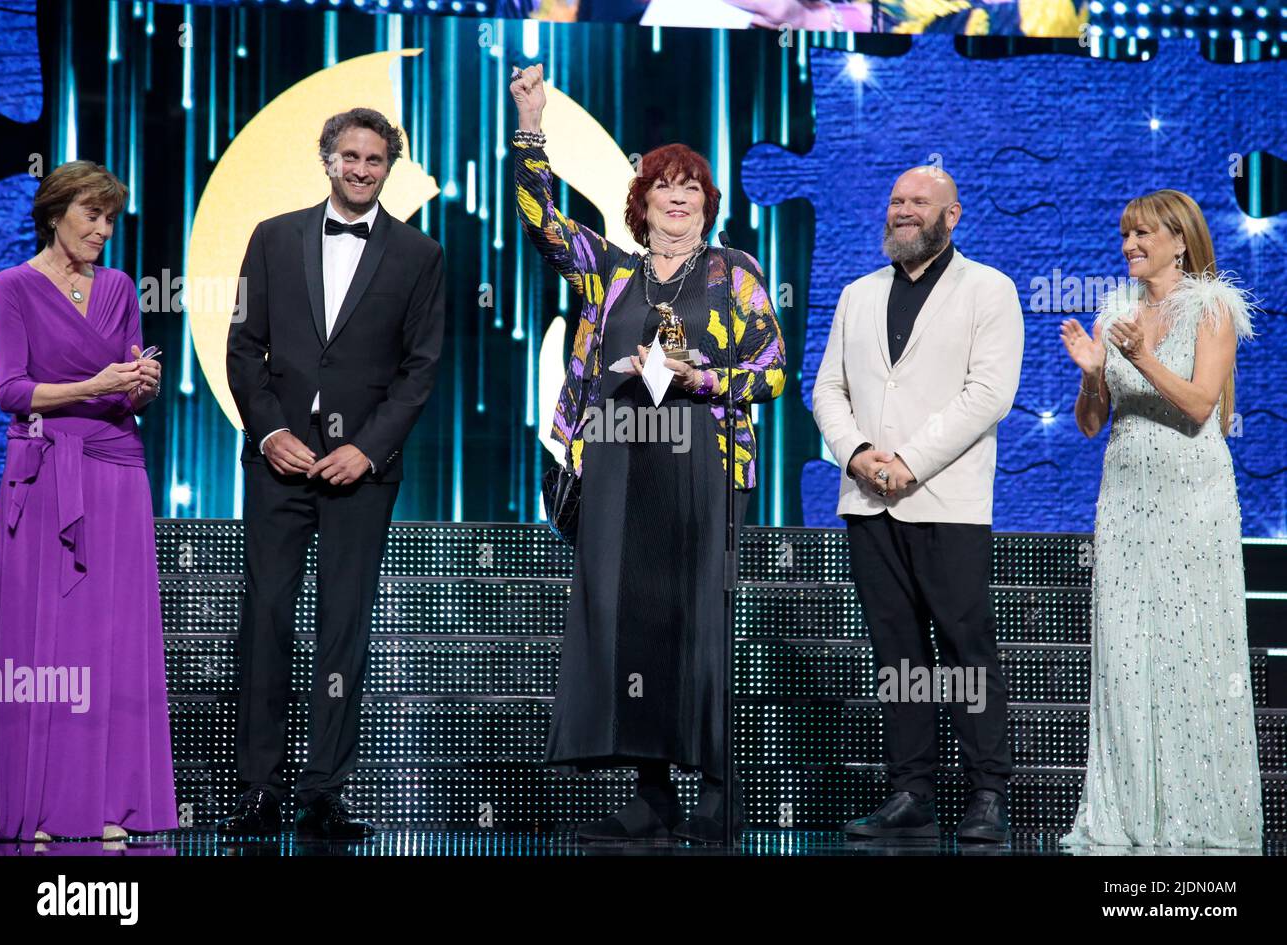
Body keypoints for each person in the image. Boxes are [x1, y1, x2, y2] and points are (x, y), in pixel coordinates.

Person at [510, 64, 786, 843]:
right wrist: (531, 123)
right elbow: (539, 220)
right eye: (664, 185)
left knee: (700, 624)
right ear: (641, 202)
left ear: (707, 204)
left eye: (691, 187)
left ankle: (717, 792)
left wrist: (703, 376)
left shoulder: (735, 274)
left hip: (704, 467)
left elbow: (772, 371)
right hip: (621, 468)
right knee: (633, 625)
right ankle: (652, 791)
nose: (677, 196)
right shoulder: (611, 272)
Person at [218, 107, 446, 840]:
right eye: (349, 155)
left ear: (389, 167)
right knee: (267, 621)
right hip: (278, 463)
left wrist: (369, 448)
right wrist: (273, 429)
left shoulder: (420, 254)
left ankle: (324, 789)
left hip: (362, 471)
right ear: (326, 158)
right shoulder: (273, 236)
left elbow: (419, 371)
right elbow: (243, 346)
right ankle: (259, 787)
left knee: (343, 626)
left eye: (374, 159)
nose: (360, 169)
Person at [812, 166, 1023, 843]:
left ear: (951, 215)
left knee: (965, 648)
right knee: (897, 653)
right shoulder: (857, 294)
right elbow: (827, 391)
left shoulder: (989, 289)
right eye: (896, 201)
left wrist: (908, 461)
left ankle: (988, 790)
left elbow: (988, 394)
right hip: (869, 501)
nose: (904, 211)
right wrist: (861, 453)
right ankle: (912, 788)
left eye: (919, 202)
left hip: (947, 501)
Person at [1059, 190, 1262, 848]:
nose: (1128, 246)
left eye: (1142, 234)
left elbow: (1202, 404)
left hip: (1193, 502)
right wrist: (1094, 374)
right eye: (1124, 235)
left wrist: (1143, 358)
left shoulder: (1214, 308)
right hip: (1125, 500)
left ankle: (1201, 817)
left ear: (1179, 240)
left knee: (1192, 652)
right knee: (1126, 654)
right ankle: (1129, 816)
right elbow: (1092, 425)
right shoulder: (1118, 314)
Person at [0, 160, 176, 843]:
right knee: (47, 647)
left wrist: (140, 386)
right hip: (45, 476)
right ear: (56, 211)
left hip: (118, 470)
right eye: (91, 215)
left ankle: (112, 803)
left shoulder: (120, 287)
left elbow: (125, 392)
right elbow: (10, 389)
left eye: (110, 219)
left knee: (114, 641)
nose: (103, 230)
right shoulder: (10, 287)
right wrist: (93, 383)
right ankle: (38, 808)